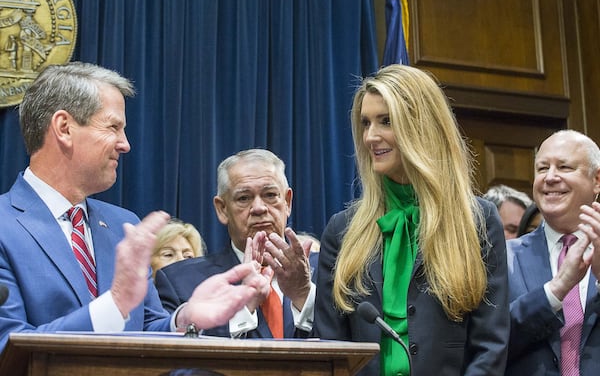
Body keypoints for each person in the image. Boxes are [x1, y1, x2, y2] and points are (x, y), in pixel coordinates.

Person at [0, 62, 270, 351]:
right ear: (64, 128)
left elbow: (147, 331)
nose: (125, 144)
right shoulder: (5, 225)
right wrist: (114, 304)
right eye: (113, 127)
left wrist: (184, 319)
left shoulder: (122, 225)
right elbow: (7, 347)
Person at [312, 64, 509, 375]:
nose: (370, 137)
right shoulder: (342, 230)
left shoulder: (478, 221)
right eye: (365, 123)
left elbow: (490, 346)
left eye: (386, 121)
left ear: (422, 126)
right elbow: (329, 348)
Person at [155, 149, 318, 338]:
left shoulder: (331, 273)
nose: (259, 208)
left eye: (270, 195)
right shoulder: (180, 281)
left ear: (287, 202)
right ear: (222, 209)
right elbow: (173, 358)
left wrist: (303, 295)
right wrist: (242, 308)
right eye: (244, 198)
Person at [506, 130, 600, 376]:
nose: (550, 177)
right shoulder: (502, 257)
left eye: (564, 167)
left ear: (597, 180)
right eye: (542, 168)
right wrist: (556, 290)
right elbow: (487, 343)